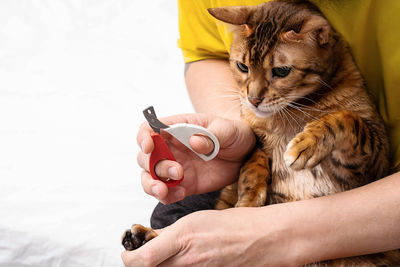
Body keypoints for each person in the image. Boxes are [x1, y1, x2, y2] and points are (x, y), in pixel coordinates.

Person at [122, 0, 400, 266]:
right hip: (271, 191)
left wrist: (272, 237)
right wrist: (239, 135)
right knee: (168, 236)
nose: (253, 96)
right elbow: (206, 54)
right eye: (244, 68)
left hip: (383, 199)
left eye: (280, 70)